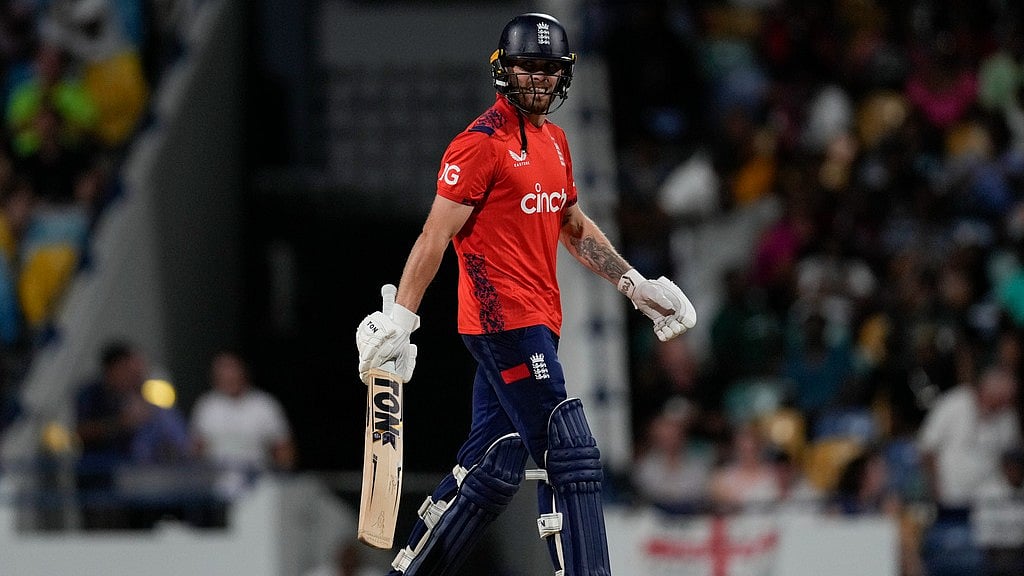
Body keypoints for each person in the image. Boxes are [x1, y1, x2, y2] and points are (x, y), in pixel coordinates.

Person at [355, 12, 696, 576]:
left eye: (548, 68)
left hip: (540, 321)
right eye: (527, 67)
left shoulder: (555, 142)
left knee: (493, 466)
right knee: (569, 450)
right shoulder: (478, 145)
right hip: (502, 323)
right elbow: (434, 235)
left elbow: (573, 226)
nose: (538, 78)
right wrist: (400, 319)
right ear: (504, 70)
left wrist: (634, 285)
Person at [74, 339, 190, 529]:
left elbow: (168, 434)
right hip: (98, 479)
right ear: (115, 368)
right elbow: (80, 432)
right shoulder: (91, 394)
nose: (134, 373)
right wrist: (121, 423)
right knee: (102, 531)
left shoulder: (139, 395)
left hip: (132, 483)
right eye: (128, 367)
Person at [189, 350, 296, 500]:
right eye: (224, 373)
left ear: (243, 372)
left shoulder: (264, 405)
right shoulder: (207, 405)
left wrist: (282, 481)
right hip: (215, 483)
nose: (229, 377)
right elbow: (196, 448)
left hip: (258, 482)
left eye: (232, 371)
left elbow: (284, 449)